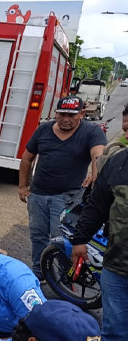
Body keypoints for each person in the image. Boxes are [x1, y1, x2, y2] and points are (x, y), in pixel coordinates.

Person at [70, 105, 128, 341]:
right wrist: (80, 240)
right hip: (118, 263)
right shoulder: (118, 164)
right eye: (127, 129)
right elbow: (97, 206)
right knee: (115, 322)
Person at [18, 95, 106, 279]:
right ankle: (39, 274)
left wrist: (95, 173)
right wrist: (22, 186)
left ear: (81, 114)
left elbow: (98, 155)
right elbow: (27, 157)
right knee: (37, 237)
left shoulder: (91, 132)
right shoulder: (43, 130)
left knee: (63, 240)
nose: (66, 119)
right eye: (62, 114)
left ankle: (64, 278)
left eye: (71, 115)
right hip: (38, 195)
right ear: (56, 113)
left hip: (67, 197)